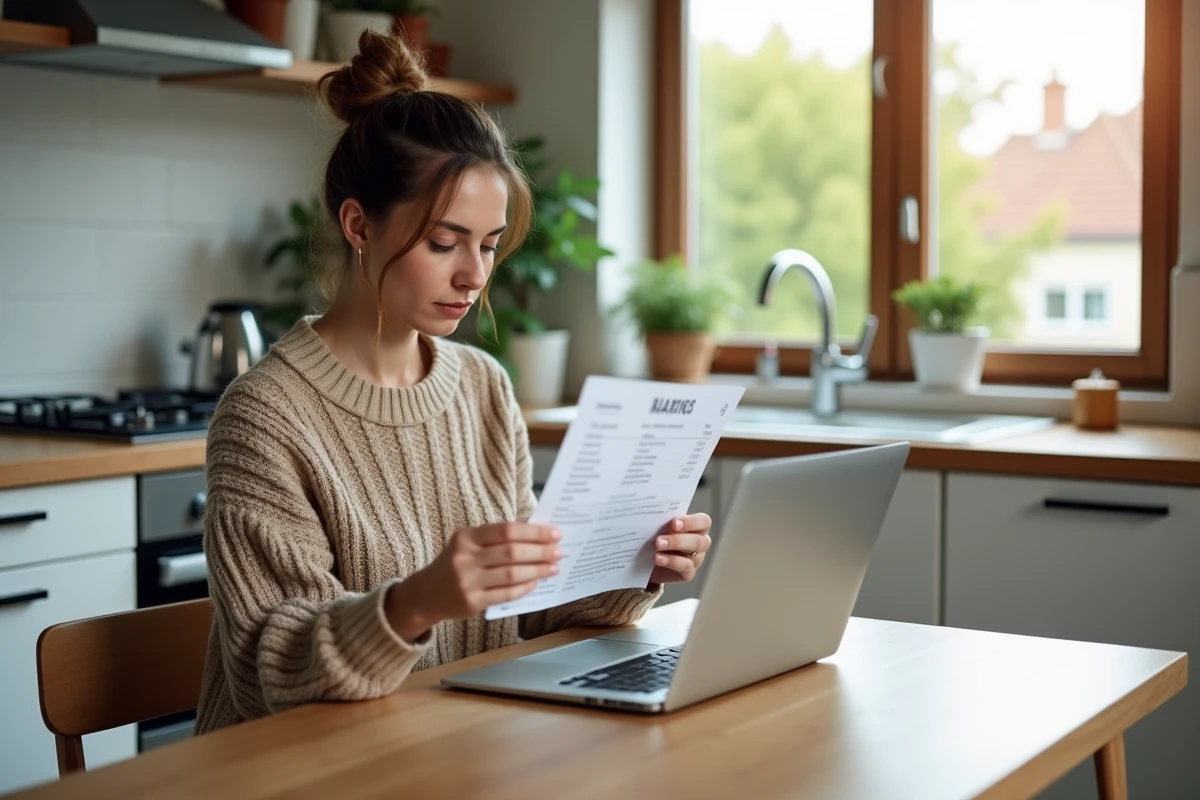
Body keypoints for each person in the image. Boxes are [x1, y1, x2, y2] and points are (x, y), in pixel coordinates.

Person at [195, 31, 713, 734]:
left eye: (490, 244)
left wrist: (630, 563)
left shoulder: (483, 389)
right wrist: (413, 603)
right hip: (303, 771)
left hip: (456, 747)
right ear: (357, 225)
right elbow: (268, 672)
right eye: (444, 242)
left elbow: (522, 609)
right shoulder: (264, 416)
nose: (474, 274)